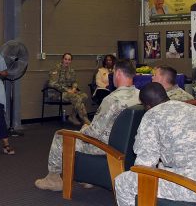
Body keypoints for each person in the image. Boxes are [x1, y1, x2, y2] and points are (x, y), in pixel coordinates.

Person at [35, 59, 140, 192]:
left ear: (118, 73)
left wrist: (85, 129)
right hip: (129, 146)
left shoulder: (112, 99)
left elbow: (94, 133)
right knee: (83, 130)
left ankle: (53, 179)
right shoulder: (140, 96)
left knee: (60, 135)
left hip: (106, 147)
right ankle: (87, 178)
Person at [115, 83, 196, 206]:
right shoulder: (194, 109)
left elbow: (144, 165)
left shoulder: (152, 115)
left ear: (147, 105)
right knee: (161, 168)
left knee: (123, 182)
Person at [48, 53, 90, 126]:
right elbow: (52, 83)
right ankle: (85, 119)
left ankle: (72, 116)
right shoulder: (56, 69)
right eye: (65, 59)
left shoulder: (71, 70)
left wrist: (74, 88)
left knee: (84, 96)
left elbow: (74, 81)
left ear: (71, 61)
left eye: (69, 60)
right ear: (62, 59)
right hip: (57, 93)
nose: (67, 61)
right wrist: (67, 90)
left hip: (68, 92)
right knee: (77, 98)